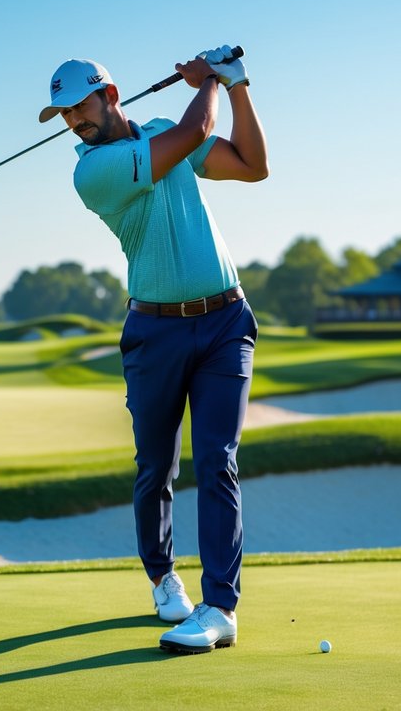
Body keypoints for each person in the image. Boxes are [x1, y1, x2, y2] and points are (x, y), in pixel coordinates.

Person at [38, 45, 268, 654]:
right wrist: (207, 80)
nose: (73, 121)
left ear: (109, 95)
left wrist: (237, 85)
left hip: (225, 321)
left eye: (78, 106)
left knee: (217, 460)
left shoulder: (166, 129)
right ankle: (163, 576)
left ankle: (220, 607)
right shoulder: (94, 172)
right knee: (156, 466)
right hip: (154, 330)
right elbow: (196, 129)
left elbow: (252, 166)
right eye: (63, 114)